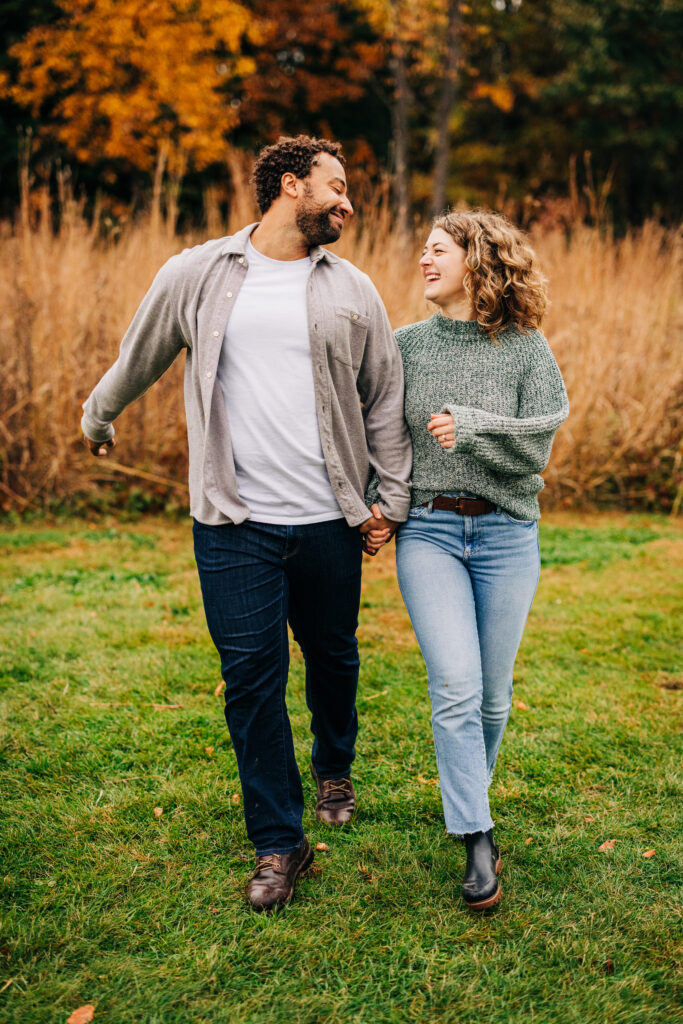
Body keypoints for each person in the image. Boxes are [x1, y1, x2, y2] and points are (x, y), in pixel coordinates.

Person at [82, 135, 411, 911]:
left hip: (329, 517)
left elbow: (385, 397)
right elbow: (141, 354)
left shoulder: (353, 288)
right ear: (291, 187)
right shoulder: (195, 273)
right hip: (234, 523)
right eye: (336, 188)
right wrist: (98, 416)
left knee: (331, 656)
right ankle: (278, 841)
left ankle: (336, 764)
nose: (347, 203)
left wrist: (386, 501)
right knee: (251, 682)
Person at [365, 209, 569, 910]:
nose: (423, 260)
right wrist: (376, 504)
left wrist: (474, 428)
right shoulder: (405, 346)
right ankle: (476, 832)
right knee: (455, 684)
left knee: (492, 694)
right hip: (429, 532)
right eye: (422, 250)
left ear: (477, 262)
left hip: (508, 534)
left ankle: (467, 797)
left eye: (437, 250)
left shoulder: (523, 348)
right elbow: (382, 439)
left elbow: (541, 437)